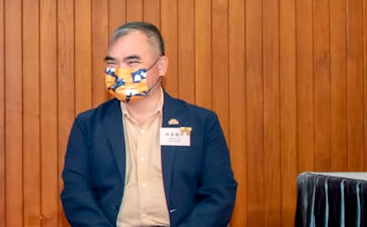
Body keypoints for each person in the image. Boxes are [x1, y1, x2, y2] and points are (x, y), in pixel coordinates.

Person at [60, 22, 236, 227]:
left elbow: (219, 194)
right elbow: (76, 195)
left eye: (132, 62)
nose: (120, 71)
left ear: (161, 66)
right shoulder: (88, 126)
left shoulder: (202, 123)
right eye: (112, 63)